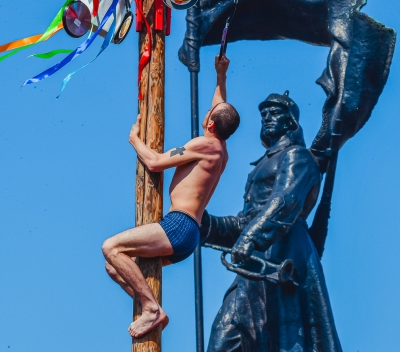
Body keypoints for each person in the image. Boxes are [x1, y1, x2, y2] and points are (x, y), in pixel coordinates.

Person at [102, 55, 240, 339]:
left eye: (209, 114)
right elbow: (220, 109)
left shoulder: (205, 145)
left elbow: (155, 162)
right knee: (115, 266)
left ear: (211, 125)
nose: (207, 112)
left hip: (178, 226)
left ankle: (151, 308)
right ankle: (152, 307)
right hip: (188, 233)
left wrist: (134, 139)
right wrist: (220, 75)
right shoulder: (221, 149)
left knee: (111, 247)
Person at [200, 91, 342, 352]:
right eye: (263, 113)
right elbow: (247, 220)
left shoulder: (298, 156)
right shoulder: (262, 165)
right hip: (255, 264)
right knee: (224, 336)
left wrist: (250, 237)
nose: (266, 117)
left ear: (290, 121)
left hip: (284, 257)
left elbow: (284, 202)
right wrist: (204, 225)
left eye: (274, 112)